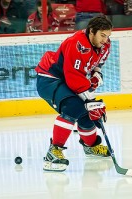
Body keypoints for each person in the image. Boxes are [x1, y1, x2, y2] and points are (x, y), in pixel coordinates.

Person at [35, 15, 113, 172]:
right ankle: (53, 151)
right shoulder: (76, 44)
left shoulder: (104, 45)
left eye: (108, 36)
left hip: (67, 79)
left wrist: (97, 74)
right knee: (73, 107)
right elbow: (73, 76)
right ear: (92, 31)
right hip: (50, 78)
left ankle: (91, 146)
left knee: (85, 111)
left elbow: (99, 62)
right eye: (102, 35)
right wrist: (91, 99)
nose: (105, 40)